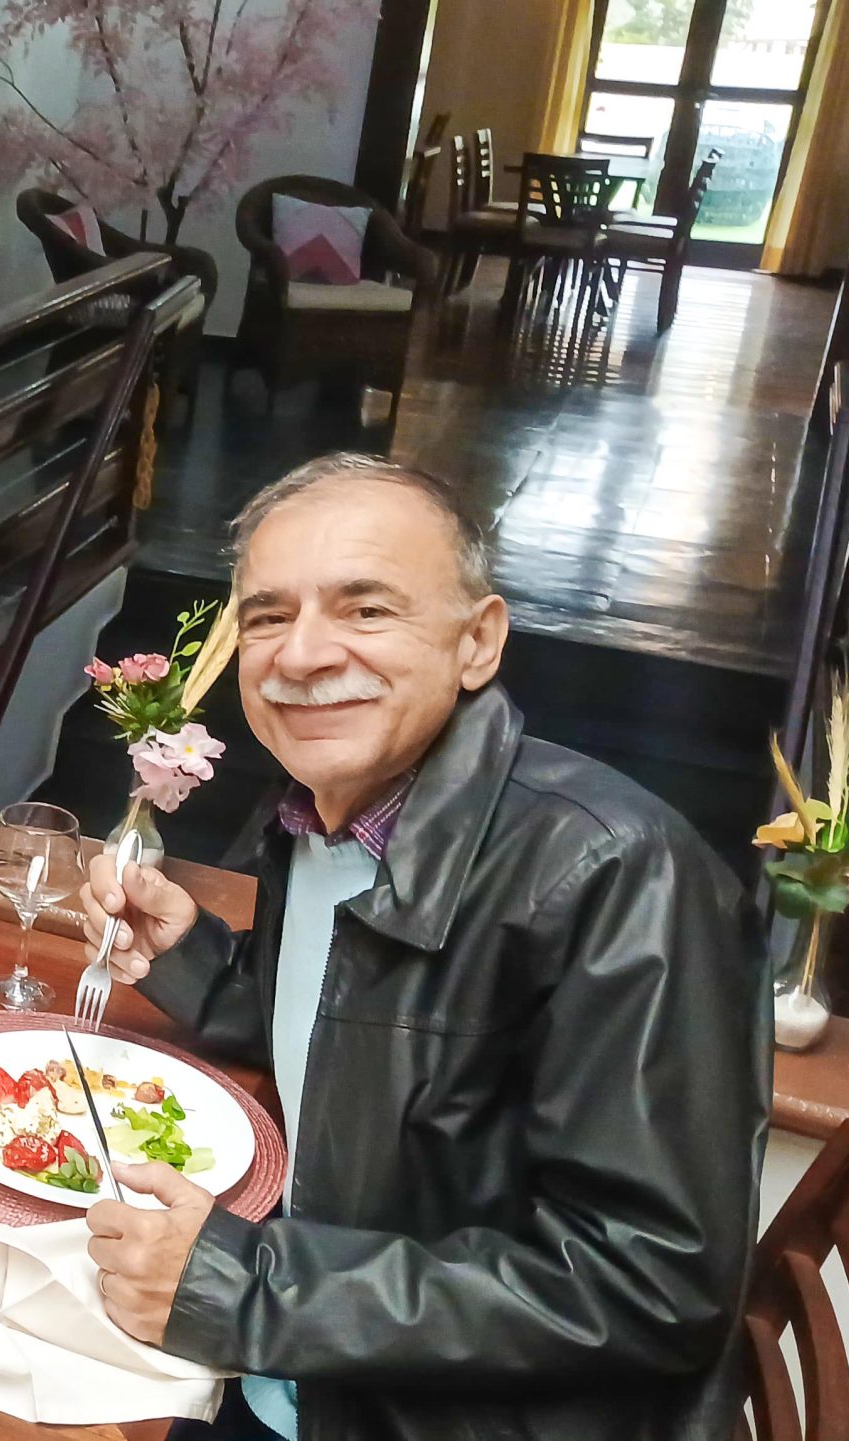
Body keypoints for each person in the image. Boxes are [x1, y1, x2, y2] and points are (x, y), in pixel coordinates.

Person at [76, 453, 765, 1439]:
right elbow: (363, 1038)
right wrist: (194, 960)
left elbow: (649, 1281)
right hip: (280, 1368)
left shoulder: (617, 870)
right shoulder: (321, 813)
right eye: (268, 615)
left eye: (365, 609)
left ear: (477, 642)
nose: (300, 655)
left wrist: (253, 1288)